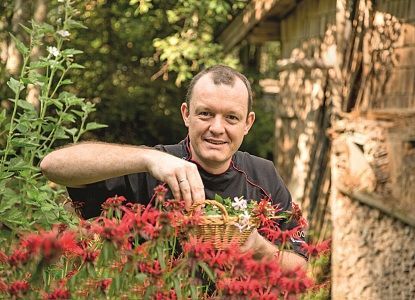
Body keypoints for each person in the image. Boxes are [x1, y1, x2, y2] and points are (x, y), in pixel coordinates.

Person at [40, 65, 307, 271]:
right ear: (186, 114)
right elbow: (53, 166)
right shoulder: (154, 166)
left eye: (231, 117)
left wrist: (257, 246)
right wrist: (148, 159)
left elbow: (302, 268)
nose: (216, 127)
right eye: (205, 113)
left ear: (247, 123)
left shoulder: (263, 175)